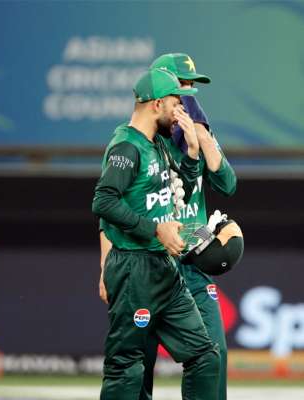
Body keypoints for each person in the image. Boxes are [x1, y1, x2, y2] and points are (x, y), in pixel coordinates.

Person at [92, 68, 220, 400]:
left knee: (204, 356)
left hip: (165, 269)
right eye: (176, 103)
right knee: (126, 367)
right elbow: (103, 201)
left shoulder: (159, 143)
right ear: (157, 104)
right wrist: (155, 229)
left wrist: (193, 153)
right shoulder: (126, 147)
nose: (180, 111)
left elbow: (181, 193)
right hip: (133, 269)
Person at [135, 53, 236, 400]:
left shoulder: (197, 134)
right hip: (150, 262)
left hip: (192, 265)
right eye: (183, 86)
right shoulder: (144, 139)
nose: (189, 95)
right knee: (139, 361)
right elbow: (111, 204)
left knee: (214, 352)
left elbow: (228, 185)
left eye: (192, 87)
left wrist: (203, 136)